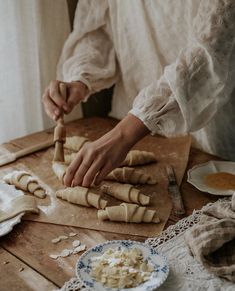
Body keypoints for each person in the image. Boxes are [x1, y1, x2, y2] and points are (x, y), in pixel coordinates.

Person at [42, 0, 235, 188]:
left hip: (206, 126)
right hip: (130, 126)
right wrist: (80, 78)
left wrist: (126, 132)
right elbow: (99, 28)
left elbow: (208, 52)